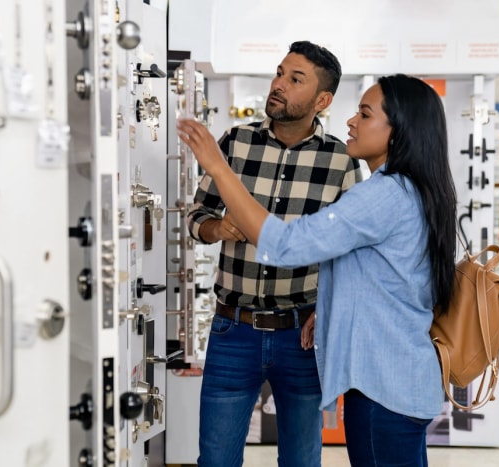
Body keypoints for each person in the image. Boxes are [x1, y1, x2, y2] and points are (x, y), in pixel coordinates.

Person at [179, 73, 457, 466]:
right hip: (395, 382)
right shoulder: (414, 189)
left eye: (365, 113)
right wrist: (328, 309)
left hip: (384, 388)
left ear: (399, 130)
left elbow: (287, 244)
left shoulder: (383, 194)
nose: (351, 122)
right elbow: (383, 278)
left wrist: (218, 168)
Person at [186, 41, 362, 467]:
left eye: (295, 78)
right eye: (279, 73)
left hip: (302, 336)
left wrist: (331, 306)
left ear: (322, 100)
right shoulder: (235, 142)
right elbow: (198, 214)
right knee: (215, 459)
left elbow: (352, 252)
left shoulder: (341, 160)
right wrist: (215, 227)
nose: (279, 84)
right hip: (233, 329)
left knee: (301, 460)